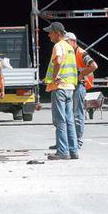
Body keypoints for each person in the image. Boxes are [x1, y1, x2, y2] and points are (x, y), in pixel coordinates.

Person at [43, 22, 79, 160]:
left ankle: (63, 152)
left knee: (60, 121)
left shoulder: (58, 46)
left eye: (50, 32)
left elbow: (57, 61)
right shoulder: (69, 47)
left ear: (57, 33)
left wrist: (54, 77)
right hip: (69, 87)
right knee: (69, 120)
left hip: (60, 88)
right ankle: (73, 150)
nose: (48, 35)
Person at [65, 32, 98, 147]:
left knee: (77, 113)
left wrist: (80, 75)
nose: (65, 45)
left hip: (79, 86)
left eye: (67, 42)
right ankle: (69, 141)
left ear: (73, 41)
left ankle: (77, 141)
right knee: (69, 113)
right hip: (71, 85)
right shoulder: (70, 53)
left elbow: (94, 66)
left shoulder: (81, 53)